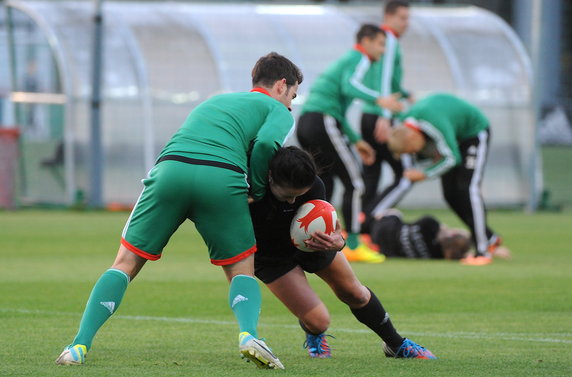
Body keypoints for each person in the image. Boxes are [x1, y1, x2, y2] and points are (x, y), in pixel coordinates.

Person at [55, 52, 303, 370]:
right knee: (242, 268)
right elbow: (268, 143)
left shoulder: (215, 102)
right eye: (293, 96)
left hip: (171, 171)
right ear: (282, 85)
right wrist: (256, 191)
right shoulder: (276, 109)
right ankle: (249, 335)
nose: (291, 105)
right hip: (221, 177)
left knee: (126, 262)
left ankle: (78, 345)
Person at [250, 146, 436, 359]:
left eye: (298, 195)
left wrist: (338, 242)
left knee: (355, 293)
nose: (293, 201)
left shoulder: (314, 186)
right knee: (319, 321)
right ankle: (314, 335)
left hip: (314, 245)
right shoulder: (248, 193)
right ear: (270, 177)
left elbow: (328, 226)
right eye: (289, 195)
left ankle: (396, 344)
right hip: (272, 257)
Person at [296, 24, 402, 264]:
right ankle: (353, 243)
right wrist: (379, 99)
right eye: (380, 44)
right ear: (366, 41)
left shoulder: (348, 60)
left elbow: (339, 108)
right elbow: (349, 86)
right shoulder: (360, 58)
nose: (383, 51)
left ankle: (311, 238)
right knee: (355, 182)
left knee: (324, 183)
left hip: (308, 122)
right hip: (323, 120)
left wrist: (356, 141)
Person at [382, 93, 504, 266]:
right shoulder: (406, 124)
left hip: (474, 133)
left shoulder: (434, 125)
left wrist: (424, 174)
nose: (414, 154)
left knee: (469, 189)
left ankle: (483, 251)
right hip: (453, 138)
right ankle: (489, 238)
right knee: (450, 194)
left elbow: (452, 158)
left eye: (411, 150)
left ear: (412, 137)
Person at [361, 1, 414, 219]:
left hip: (368, 115)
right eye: (402, 18)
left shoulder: (377, 41)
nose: (406, 23)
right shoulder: (388, 39)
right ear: (388, 16)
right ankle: (373, 217)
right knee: (406, 174)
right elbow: (383, 79)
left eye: (407, 18)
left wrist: (404, 92)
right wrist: (385, 116)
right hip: (381, 116)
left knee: (371, 174)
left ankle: (360, 230)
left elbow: (383, 79)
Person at [369, 209, 472, 260]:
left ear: (453, 234)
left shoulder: (430, 223)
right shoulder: (437, 256)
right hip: (382, 249)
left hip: (382, 227)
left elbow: (443, 228)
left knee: (396, 212)